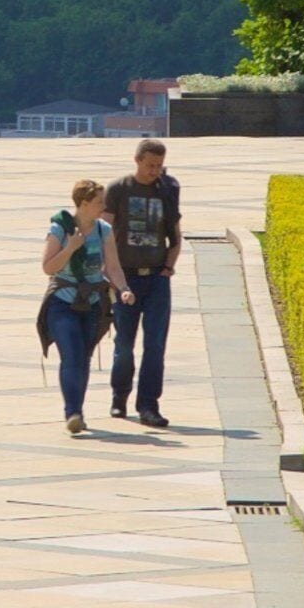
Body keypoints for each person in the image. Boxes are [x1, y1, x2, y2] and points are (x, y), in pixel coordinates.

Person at [105, 139, 182, 428]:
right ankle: (119, 395)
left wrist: (168, 268)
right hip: (125, 276)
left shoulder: (167, 191)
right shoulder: (119, 189)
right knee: (124, 343)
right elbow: (105, 232)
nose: (154, 171)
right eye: (150, 165)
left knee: (155, 345)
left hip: (157, 278)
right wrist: (110, 274)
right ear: (137, 160)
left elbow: (175, 234)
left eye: (159, 166)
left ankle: (149, 404)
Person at [40, 178, 123, 436]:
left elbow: (113, 266)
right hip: (62, 303)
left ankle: (78, 410)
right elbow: (48, 267)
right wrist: (71, 247)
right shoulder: (59, 230)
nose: (103, 206)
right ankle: (72, 412)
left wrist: (124, 289)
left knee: (83, 359)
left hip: (92, 304)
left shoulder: (103, 230)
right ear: (84, 204)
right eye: (98, 202)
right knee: (72, 355)